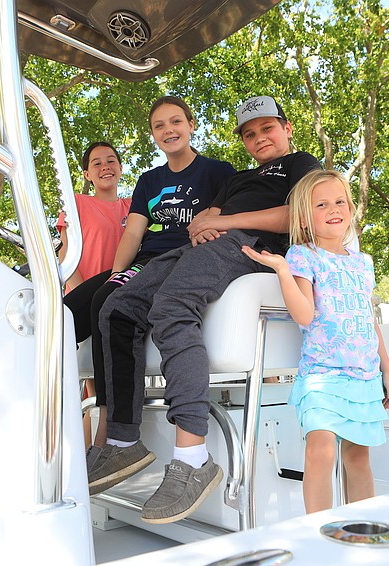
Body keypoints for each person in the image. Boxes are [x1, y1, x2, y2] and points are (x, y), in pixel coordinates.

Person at [90, 95, 321, 524]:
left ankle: (193, 457)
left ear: (286, 129)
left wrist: (223, 223)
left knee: (171, 307)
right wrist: (203, 224)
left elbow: (301, 216)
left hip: (249, 247)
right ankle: (122, 443)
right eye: (250, 133)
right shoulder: (239, 178)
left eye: (267, 128)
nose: (259, 138)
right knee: (117, 308)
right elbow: (208, 215)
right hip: (206, 244)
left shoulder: (301, 166)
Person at [63, 96, 236, 451]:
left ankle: (111, 426)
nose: (168, 130)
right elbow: (132, 233)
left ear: (191, 125)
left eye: (175, 122)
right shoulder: (149, 180)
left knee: (105, 304)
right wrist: (115, 273)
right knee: (62, 317)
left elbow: (226, 225)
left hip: (182, 260)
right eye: (159, 126)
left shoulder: (219, 172)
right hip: (145, 258)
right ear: (153, 137)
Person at [241, 169, 389, 512]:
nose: (333, 209)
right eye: (321, 204)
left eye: (339, 201)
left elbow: (368, 320)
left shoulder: (363, 263)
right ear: (304, 216)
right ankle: (317, 531)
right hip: (323, 375)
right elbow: (304, 315)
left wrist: (387, 369)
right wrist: (282, 271)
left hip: (364, 375)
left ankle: (365, 527)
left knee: (358, 457)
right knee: (320, 450)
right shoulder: (302, 255)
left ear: (351, 207)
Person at [57, 142, 131, 294]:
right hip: (81, 299)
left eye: (111, 161)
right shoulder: (75, 202)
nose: (105, 167)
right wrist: (83, 294)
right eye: (97, 163)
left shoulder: (134, 206)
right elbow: (64, 252)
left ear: (121, 168)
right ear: (87, 174)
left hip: (121, 298)